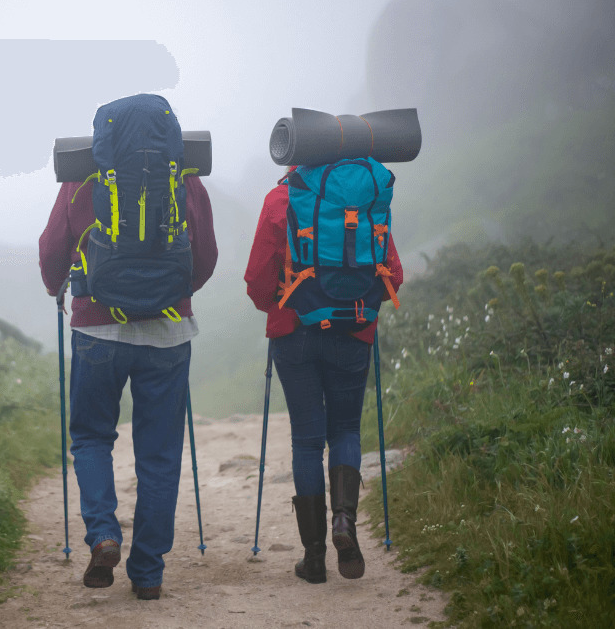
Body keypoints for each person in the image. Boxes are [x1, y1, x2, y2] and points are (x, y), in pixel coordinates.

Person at [38, 122, 217, 601]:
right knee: (159, 453)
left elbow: (52, 251)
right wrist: (172, 294)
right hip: (168, 330)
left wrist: (63, 288)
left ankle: (103, 535)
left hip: (97, 329)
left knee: (92, 436)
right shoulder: (183, 174)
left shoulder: (84, 173)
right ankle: (149, 573)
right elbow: (205, 257)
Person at [243, 166, 403, 584]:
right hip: (354, 328)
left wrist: (279, 303)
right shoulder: (366, 197)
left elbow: (257, 281)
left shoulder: (281, 200)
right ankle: (344, 524)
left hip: (294, 333)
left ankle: (314, 557)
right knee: (346, 430)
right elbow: (394, 275)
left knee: (307, 441)